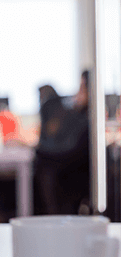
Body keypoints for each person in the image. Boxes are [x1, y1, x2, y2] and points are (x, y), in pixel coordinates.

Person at [34, 71, 91, 215]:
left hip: (71, 174)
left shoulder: (86, 118)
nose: (78, 93)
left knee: (43, 169)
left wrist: (38, 149)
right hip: (65, 170)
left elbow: (67, 149)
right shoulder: (73, 112)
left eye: (83, 88)